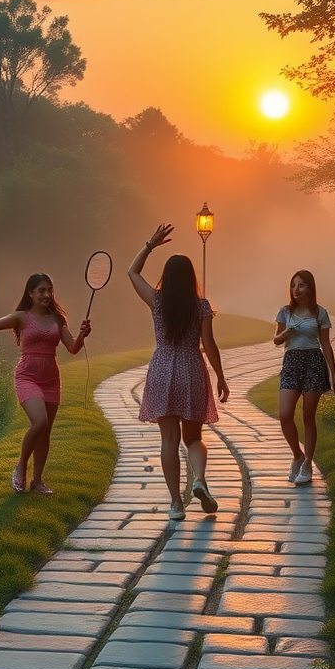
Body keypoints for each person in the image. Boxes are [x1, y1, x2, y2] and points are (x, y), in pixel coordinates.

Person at [0, 273, 90, 494]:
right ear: (31, 293)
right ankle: (21, 466)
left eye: (50, 290)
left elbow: (72, 348)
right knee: (39, 422)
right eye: (41, 290)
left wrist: (82, 335)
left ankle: (38, 481)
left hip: (51, 378)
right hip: (27, 376)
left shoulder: (58, 319)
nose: (47, 294)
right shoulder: (21, 317)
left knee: (46, 432)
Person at [129, 223, 229, 522]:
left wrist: (150, 244)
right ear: (191, 278)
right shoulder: (201, 306)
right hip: (191, 368)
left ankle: (175, 504)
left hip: (162, 368)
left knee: (168, 440)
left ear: (167, 278)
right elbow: (208, 344)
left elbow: (132, 273)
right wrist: (221, 377)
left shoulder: (158, 302)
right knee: (194, 438)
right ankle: (198, 479)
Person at [273, 269, 335, 485]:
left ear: (310, 288)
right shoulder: (285, 312)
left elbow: (326, 344)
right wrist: (285, 334)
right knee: (285, 415)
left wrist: (334, 374)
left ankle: (308, 464)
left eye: (301, 285)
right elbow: (276, 340)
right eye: (293, 285)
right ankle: (297, 455)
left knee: (307, 416)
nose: (296, 289)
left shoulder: (320, 313)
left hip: (313, 362)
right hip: (291, 363)